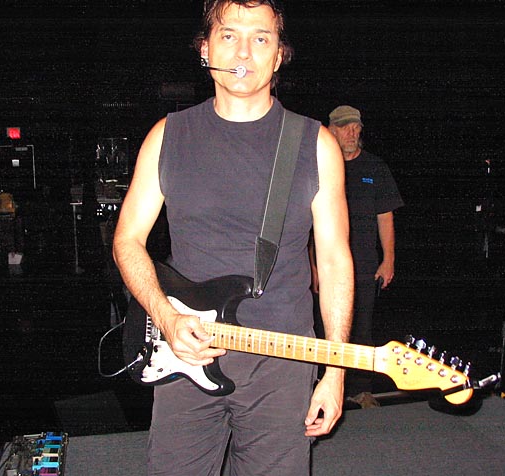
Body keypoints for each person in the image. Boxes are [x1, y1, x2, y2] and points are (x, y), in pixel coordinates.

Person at [112, 2, 354, 475]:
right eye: (228, 35)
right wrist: (165, 317)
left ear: (279, 55)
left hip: (282, 362)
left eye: (261, 38)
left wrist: (335, 371)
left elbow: (334, 263)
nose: (244, 51)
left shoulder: (316, 145)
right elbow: (127, 241)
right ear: (205, 49)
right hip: (186, 350)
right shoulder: (167, 136)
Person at [315, 105, 404, 403]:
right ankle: (324, 388)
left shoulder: (375, 168)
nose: (351, 133)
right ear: (331, 130)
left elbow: (385, 216)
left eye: (356, 127)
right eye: (345, 127)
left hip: (364, 264)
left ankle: (361, 390)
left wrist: (388, 259)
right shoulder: (322, 166)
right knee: (325, 328)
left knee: (363, 328)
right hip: (328, 265)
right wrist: (312, 266)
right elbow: (308, 220)